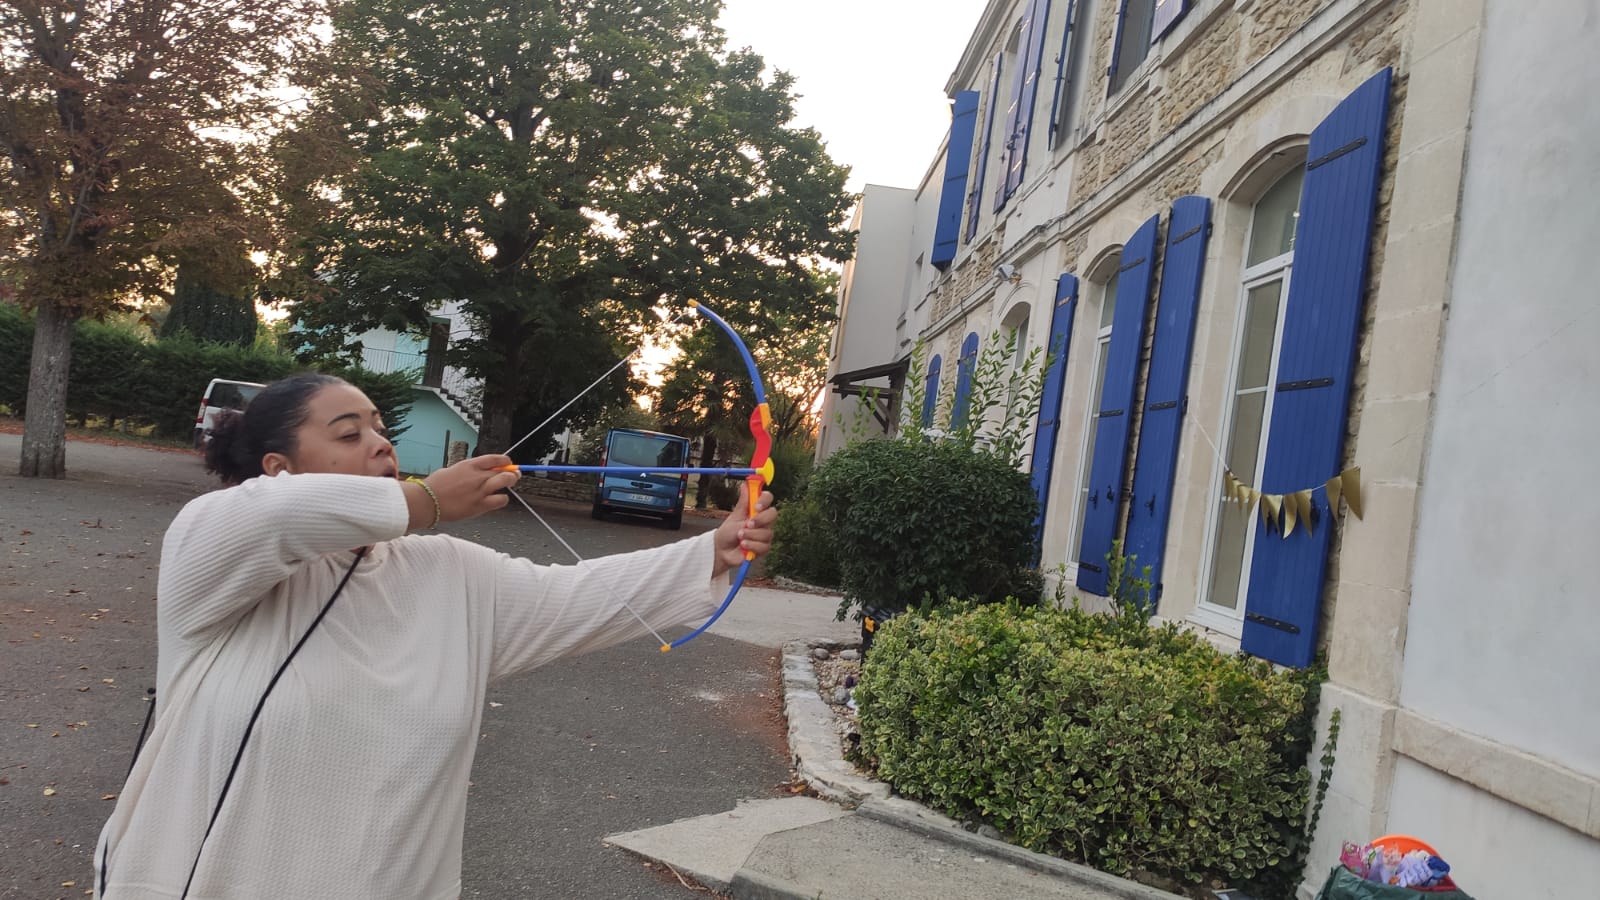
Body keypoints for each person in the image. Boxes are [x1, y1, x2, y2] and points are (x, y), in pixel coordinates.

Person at [93, 372, 777, 899]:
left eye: (379, 427)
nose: (380, 442)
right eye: (348, 433)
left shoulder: (447, 572)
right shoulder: (214, 549)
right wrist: (424, 501)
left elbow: (579, 596)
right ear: (279, 467)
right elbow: (270, 519)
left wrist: (712, 551)